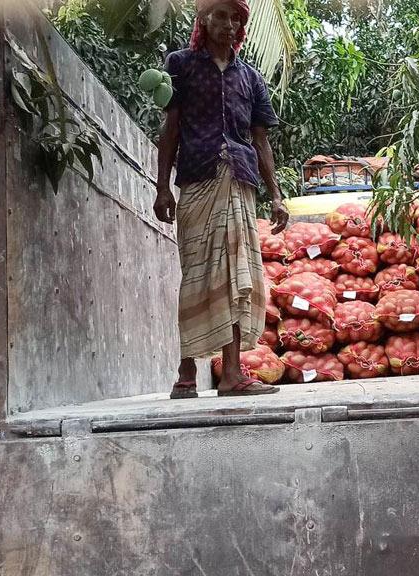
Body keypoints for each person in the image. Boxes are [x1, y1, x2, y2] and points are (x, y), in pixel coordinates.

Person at [153, 0, 289, 398]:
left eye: (236, 18)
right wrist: (162, 187)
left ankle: (232, 375)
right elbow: (171, 129)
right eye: (221, 16)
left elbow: (260, 140)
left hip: (240, 181)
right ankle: (185, 374)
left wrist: (276, 196)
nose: (229, 25)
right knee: (195, 274)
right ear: (203, 19)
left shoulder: (251, 78)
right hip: (197, 179)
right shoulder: (180, 64)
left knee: (235, 277)